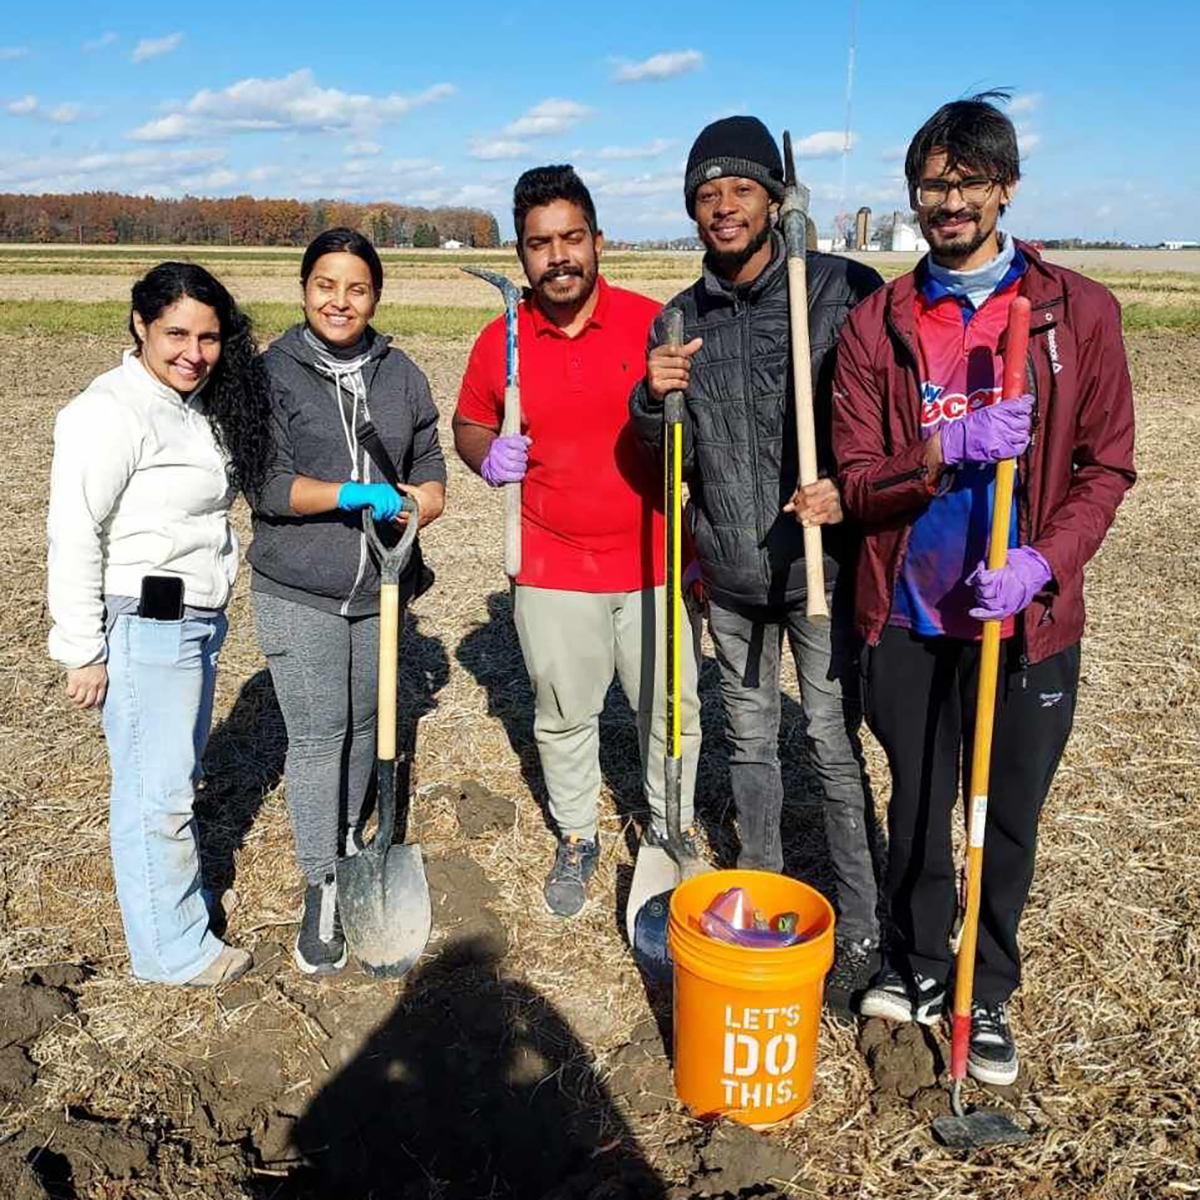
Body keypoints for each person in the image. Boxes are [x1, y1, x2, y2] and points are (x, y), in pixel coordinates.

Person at [833, 93, 1136, 1082]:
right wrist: (944, 447)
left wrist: (1045, 561)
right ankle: (917, 963)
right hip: (912, 610)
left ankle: (986, 989)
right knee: (919, 802)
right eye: (933, 181)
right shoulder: (879, 322)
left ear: (1006, 186)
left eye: (969, 180)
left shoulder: (1074, 313)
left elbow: (1107, 466)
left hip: (1025, 620)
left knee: (1003, 813)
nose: (949, 199)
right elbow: (856, 476)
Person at [628, 116, 884, 1015]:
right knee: (749, 744)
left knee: (828, 739)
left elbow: (886, 418)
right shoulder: (678, 318)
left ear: (774, 200)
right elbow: (667, 458)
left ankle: (860, 921)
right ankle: (766, 896)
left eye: (740, 189)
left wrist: (849, 498)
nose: (723, 207)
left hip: (818, 571)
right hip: (731, 578)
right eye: (706, 194)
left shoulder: (841, 291)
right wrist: (651, 400)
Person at [453, 165, 702, 919]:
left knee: (671, 710)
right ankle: (577, 836)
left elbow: (699, 435)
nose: (557, 256)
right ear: (522, 254)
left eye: (571, 238)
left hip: (652, 560)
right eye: (539, 244)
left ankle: (670, 830)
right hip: (552, 565)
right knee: (563, 715)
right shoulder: (502, 340)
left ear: (597, 241)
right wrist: (485, 452)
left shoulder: (651, 324)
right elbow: (468, 422)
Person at [47, 262, 271, 987]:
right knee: (158, 791)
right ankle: (173, 951)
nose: (193, 351)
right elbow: (74, 531)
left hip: (191, 624)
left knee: (173, 778)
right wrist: (82, 648)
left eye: (209, 337)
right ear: (140, 324)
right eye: (176, 332)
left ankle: (173, 909)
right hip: (145, 625)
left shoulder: (192, 405)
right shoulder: (109, 411)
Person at [249, 228, 447, 974]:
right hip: (300, 586)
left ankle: (358, 847)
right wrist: (350, 494)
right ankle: (322, 880)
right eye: (326, 285)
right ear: (305, 291)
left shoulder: (400, 374)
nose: (340, 300)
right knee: (319, 731)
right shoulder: (274, 374)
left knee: (368, 719)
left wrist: (423, 502)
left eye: (357, 288)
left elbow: (428, 456)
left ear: (375, 297)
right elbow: (268, 485)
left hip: (383, 584)